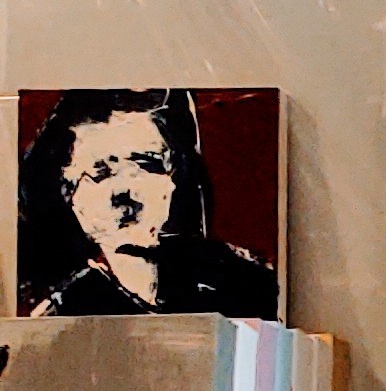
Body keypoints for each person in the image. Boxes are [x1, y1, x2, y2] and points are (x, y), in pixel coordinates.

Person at [15, 91, 279, 319]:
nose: (127, 191)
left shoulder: (240, 278)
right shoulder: (62, 314)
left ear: (171, 180)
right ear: (70, 195)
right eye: (100, 173)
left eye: (146, 164)